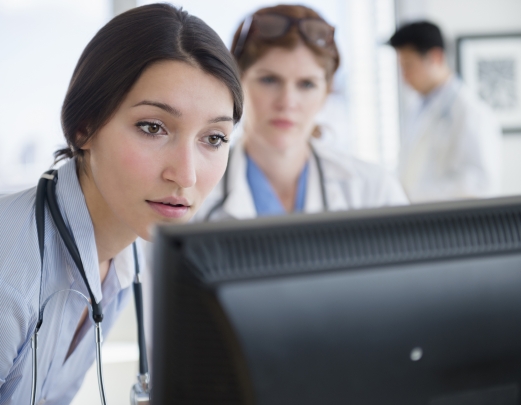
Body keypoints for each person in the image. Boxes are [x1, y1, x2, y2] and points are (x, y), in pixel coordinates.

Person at [0, 4, 242, 404]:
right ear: (85, 127)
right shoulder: (11, 271)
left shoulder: (124, 253)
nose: (186, 175)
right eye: (153, 127)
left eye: (213, 138)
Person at [196, 4, 407, 222]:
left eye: (306, 84)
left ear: (327, 91)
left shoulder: (374, 191)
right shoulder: (194, 193)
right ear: (237, 84)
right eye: (269, 80)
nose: (287, 102)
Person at [389, 21, 502, 203]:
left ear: (435, 57)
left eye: (408, 66)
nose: (404, 76)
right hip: (415, 217)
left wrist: (415, 195)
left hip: (449, 224)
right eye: (401, 68)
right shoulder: (418, 107)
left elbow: (481, 185)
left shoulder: (470, 112)